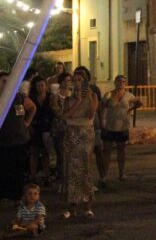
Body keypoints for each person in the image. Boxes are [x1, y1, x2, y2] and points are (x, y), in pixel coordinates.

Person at [61, 69, 98, 219]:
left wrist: (87, 98)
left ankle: (87, 206)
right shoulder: (68, 99)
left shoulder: (93, 96)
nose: (77, 83)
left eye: (80, 80)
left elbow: (91, 113)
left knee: (85, 168)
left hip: (86, 133)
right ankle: (71, 206)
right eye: (74, 80)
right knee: (71, 169)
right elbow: (66, 115)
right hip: (71, 133)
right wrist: (77, 102)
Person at [0, 71, 36, 203]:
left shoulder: (17, 97)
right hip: (4, 140)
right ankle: (6, 194)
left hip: (20, 138)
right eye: (3, 81)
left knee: (19, 168)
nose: (6, 84)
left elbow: (31, 107)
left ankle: (20, 196)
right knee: (5, 168)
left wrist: (27, 122)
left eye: (8, 81)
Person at [99, 75, 142, 184]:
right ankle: (104, 175)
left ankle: (121, 173)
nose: (121, 83)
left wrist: (131, 109)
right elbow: (101, 109)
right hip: (109, 126)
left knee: (121, 150)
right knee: (106, 151)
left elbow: (139, 103)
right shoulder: (108, 95)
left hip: (122, 127)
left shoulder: (128, 95)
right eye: (119, 81)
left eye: (123, 81)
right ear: (115, 82)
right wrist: (101, 123)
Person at [28, 76, 54, 185]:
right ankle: (32, 175)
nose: (41, 87)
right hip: (35, 127)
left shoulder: (50, 98)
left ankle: (46, 175)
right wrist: (29, 126)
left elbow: (54, 113)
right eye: (38, 85)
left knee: (45, 153)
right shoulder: (31, 98)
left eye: (42, 85)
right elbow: (26, 113)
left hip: (47, 127)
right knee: (34, 152)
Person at [49, 72, 72, 192]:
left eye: (69, 80)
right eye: (65, 80)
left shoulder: (74, 94)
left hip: (72, 127)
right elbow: (57, 112)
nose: (67, 82)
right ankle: (62, 181)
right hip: (60, 128)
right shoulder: (56, 96)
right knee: (61, 155)